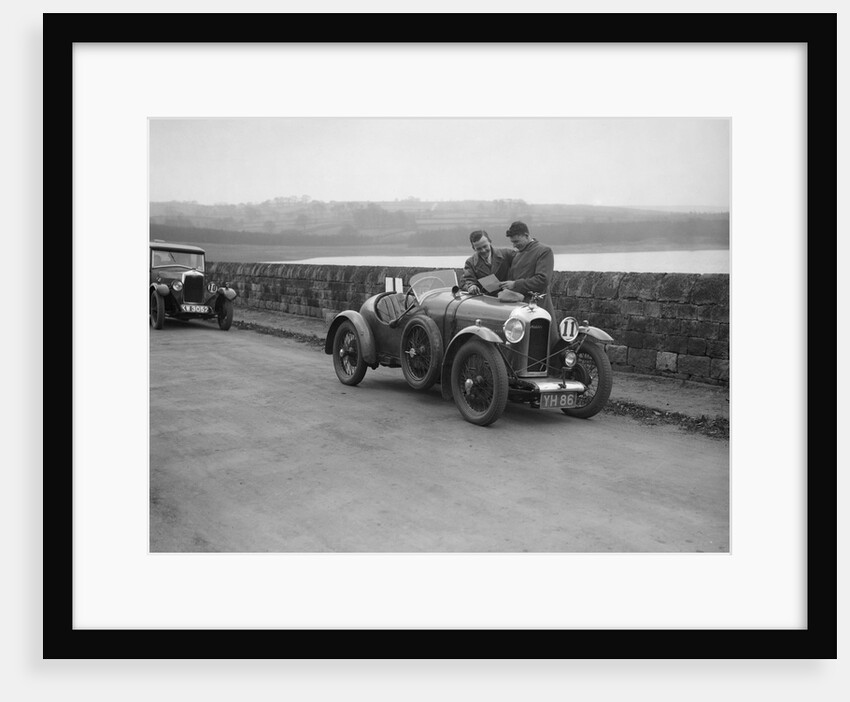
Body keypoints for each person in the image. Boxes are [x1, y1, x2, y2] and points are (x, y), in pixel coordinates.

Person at [499, 220, 561, 349]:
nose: (515, 246)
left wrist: (515, 284)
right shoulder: (518, 254)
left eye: (516, 241)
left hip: (539, 307)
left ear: (526, 236)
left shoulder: (544, 251)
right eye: (512, 243)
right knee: (521, 347)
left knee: (542, 346)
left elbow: (542, 280)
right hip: (519, 309)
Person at [460, 229, 516, 296]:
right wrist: (471, 286)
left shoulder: (507, 254)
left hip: (510, 298)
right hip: (487, 301)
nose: (483, 250)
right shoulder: (470, 262)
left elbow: (525, 259)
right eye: (479, 248)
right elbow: (466, 280)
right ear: (473, 248)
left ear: (490, 242)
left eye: (485, 246)